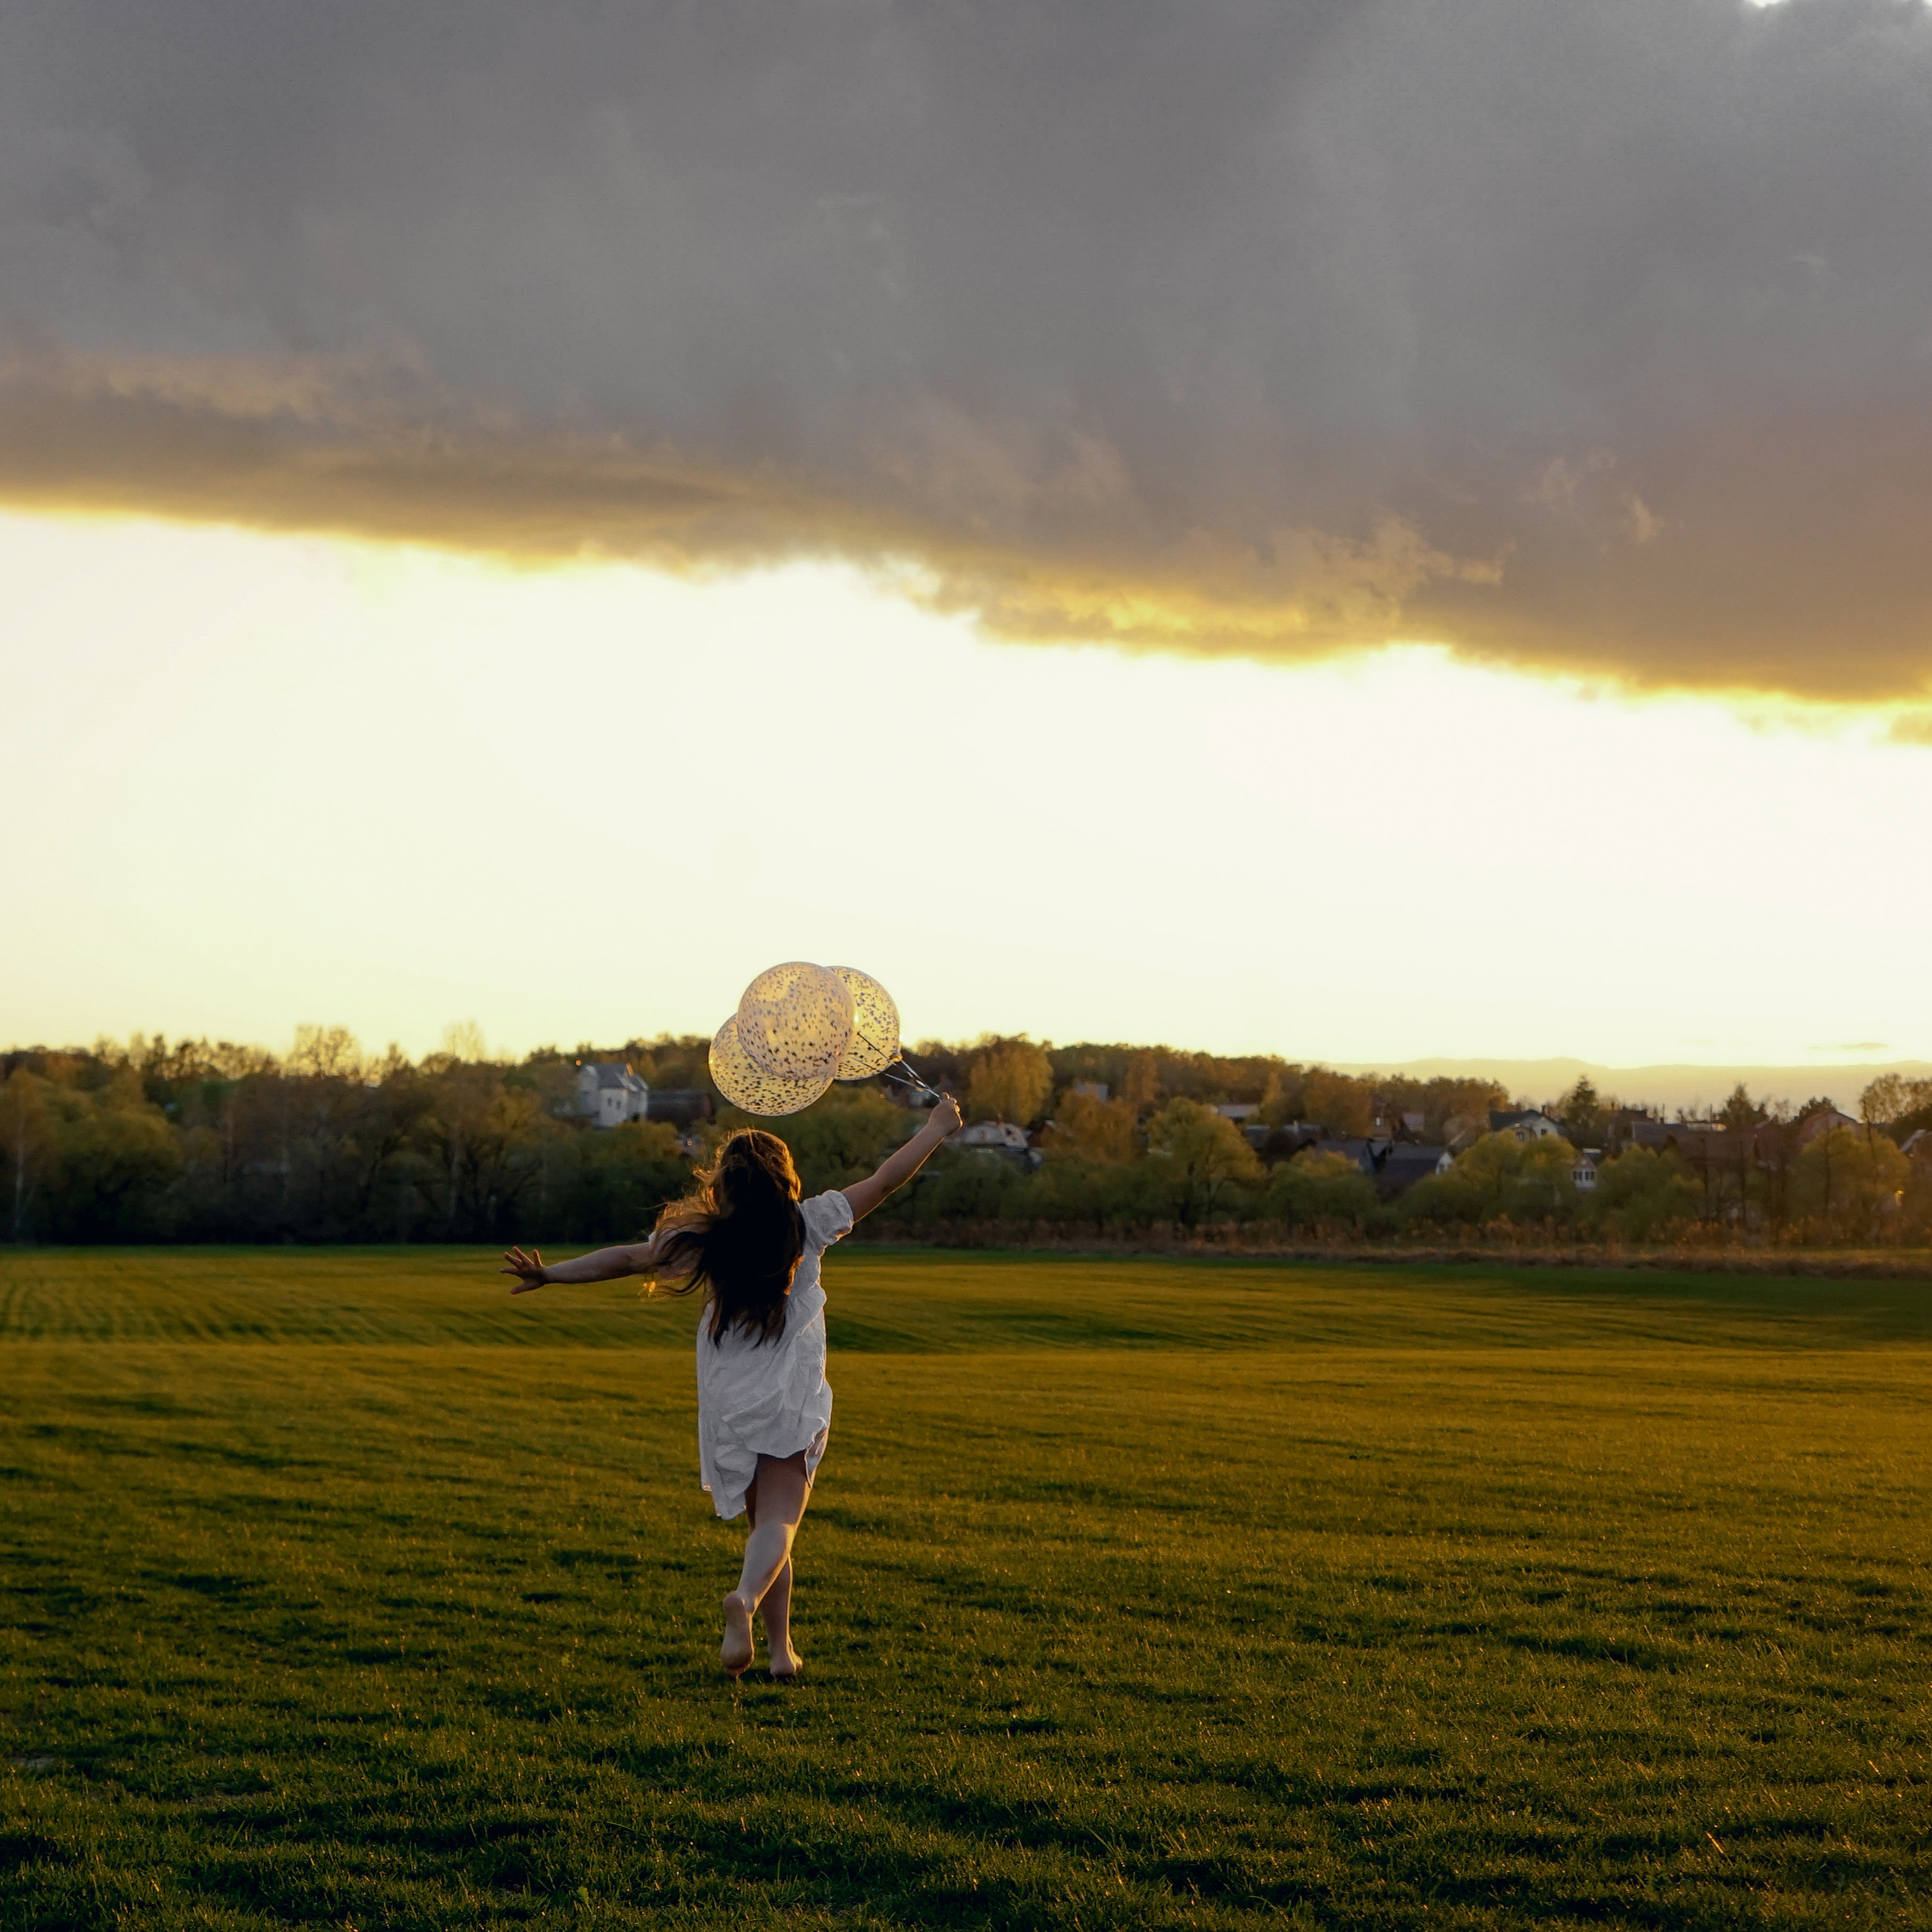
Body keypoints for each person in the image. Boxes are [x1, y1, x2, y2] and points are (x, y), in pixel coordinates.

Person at [499, 1091, 961, 1680]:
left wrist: (551, 1274)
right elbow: (886, 1180)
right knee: (780, 1522)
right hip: (788, 1398)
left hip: (729, 1397)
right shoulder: (810, 1223)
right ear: (785, 1179)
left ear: (725, 1186)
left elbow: (627, 1259)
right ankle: (743, 1599)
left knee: (763, 1526)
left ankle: (780, 1652)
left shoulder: (707, 1237)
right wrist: (936, 1128)